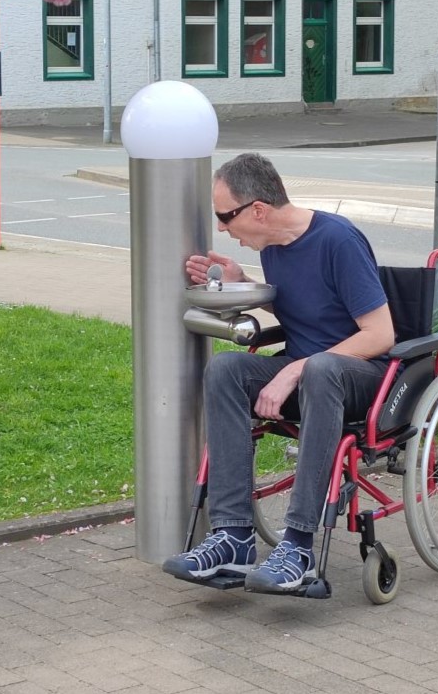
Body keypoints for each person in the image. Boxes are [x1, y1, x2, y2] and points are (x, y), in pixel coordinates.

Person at [162, 153, 394, 594]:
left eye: (225, 216)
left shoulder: (338, 241)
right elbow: (304, 309)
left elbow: (380, 333)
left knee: (321, 368)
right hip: (310, 370)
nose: (224, 228)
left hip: (359, 376)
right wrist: (241, 281)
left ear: (259, 210)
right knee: (226, 368)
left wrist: (295, 371)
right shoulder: (274, 248)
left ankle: (299, 547)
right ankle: (232, 536)